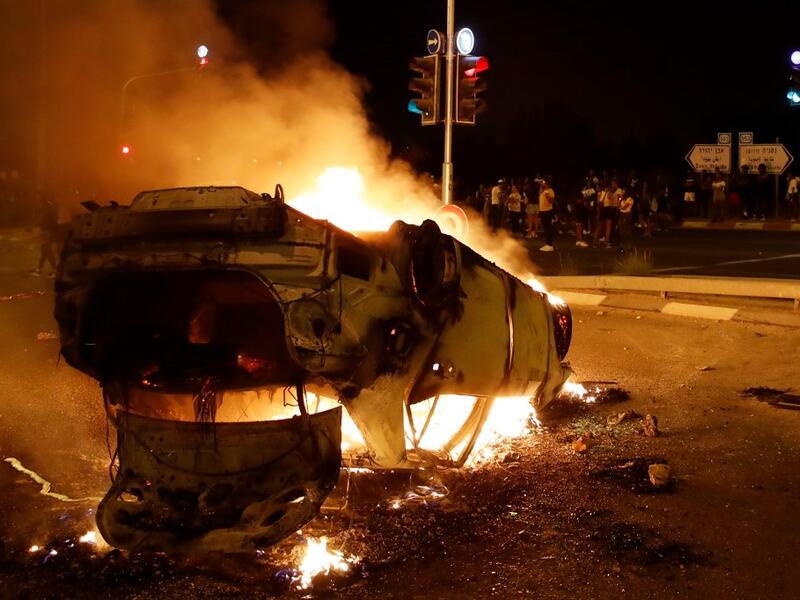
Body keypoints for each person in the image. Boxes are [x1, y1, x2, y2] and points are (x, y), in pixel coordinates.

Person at [31, 189, 60, 277]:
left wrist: (34, 224)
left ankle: (55, 270)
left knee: (47, 249)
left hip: (47, 230)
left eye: (37, 195)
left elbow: (44, 219)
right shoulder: (49, 205)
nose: (36, 197)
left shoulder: (46, 206)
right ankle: (39, 269)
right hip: (48, 230)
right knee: (44, 250)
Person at [538, 177, 556, 252]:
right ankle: (548, 244)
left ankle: (550, 245)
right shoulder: (542, 191)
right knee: (545, 228)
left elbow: (552, 201)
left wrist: (547, 196)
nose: (541, 184)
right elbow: (540, 201)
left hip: (548, 211)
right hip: (542, 211)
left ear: (547, 183)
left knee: (548, 228)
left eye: (543, 182)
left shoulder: (550, 190)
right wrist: (541, 192)